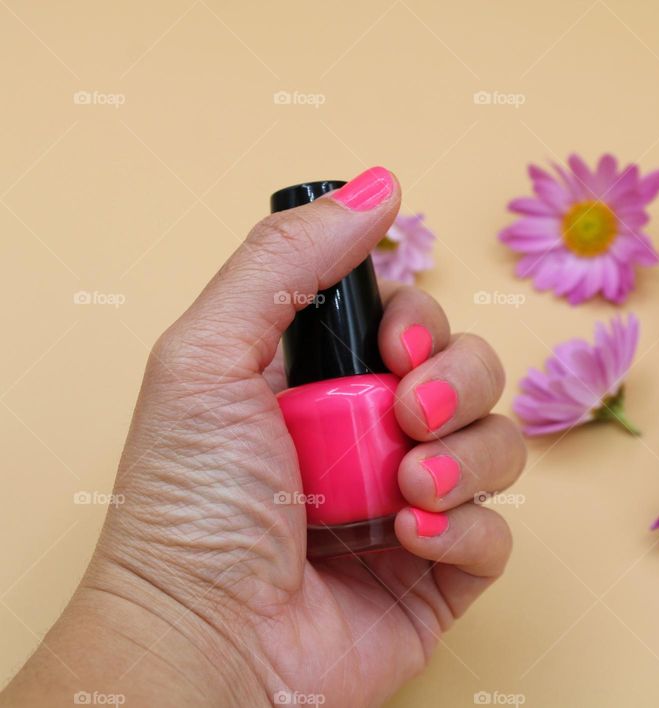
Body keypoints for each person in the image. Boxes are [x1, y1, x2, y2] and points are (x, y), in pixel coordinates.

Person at [0, 168, 526, 707]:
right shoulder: (262, 393)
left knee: (426, 405)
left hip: (343, 598)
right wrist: (198, 615)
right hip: (297, 591)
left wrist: (226, 647)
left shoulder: (365, 385)